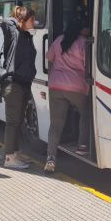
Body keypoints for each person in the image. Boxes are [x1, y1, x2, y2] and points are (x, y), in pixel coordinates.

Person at [44, 18, 90, 173]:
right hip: (76, 86)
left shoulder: (58, 40)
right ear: (81, 29)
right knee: (85, 114)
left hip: (55, 86)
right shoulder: (84, 43)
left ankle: (50, 158)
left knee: (56, 123)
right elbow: (89, 65)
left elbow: (49, 58)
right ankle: (82, 146)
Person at [0, 6, 37, 170]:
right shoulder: (13, 32)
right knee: (12, 122)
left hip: (23, 84)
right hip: (13, 84)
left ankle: (15, 152)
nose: (34, 22)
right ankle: (9, 158)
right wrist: (18, 19)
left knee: (19, 121)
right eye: (31, 19)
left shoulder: (26, 36)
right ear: (22, 20)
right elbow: (6, 22)